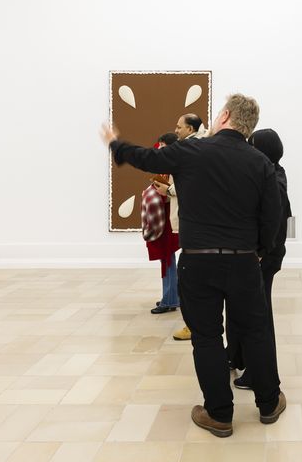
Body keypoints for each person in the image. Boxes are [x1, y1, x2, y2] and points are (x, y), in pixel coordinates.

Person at [101, 93, 284, 438]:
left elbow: (146, 158)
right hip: (243, 261)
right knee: (255, 331)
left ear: (225, 116)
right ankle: (269, 404)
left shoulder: (190, 151)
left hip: (198, 262)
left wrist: (116, 144)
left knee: (207, 337)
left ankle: (219, 414)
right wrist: (259, 250)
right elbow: (272, 217)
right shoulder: (260, 162)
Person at [229, 129, 292, 390]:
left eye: (252, 145)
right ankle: (237, 357)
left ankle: (258, 375)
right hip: (264, 255)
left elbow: (274, 223)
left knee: (259, 317)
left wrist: (259, 252)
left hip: (263, 258)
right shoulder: (274, 173)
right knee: (246, 311)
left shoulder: (274, 181)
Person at [155, 113, 210, 340]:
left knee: (191, 275)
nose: (176, 130)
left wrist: (167, 190)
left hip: (192, 221)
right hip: (193, 220)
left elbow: (189, 183)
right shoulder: (197, 148)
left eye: (179, 127)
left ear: (190, 129)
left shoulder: (191, 151)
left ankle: (193, 323)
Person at [143, 133, 181, 314]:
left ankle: (170, 298)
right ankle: (171, 296)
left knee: (167, 258)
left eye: (163, 147)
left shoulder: (175, 166)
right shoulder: (171, 164)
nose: (159, 150)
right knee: (167, 259)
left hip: (169, 218)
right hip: (166, 217)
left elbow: (173, 193)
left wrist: (161, 191)